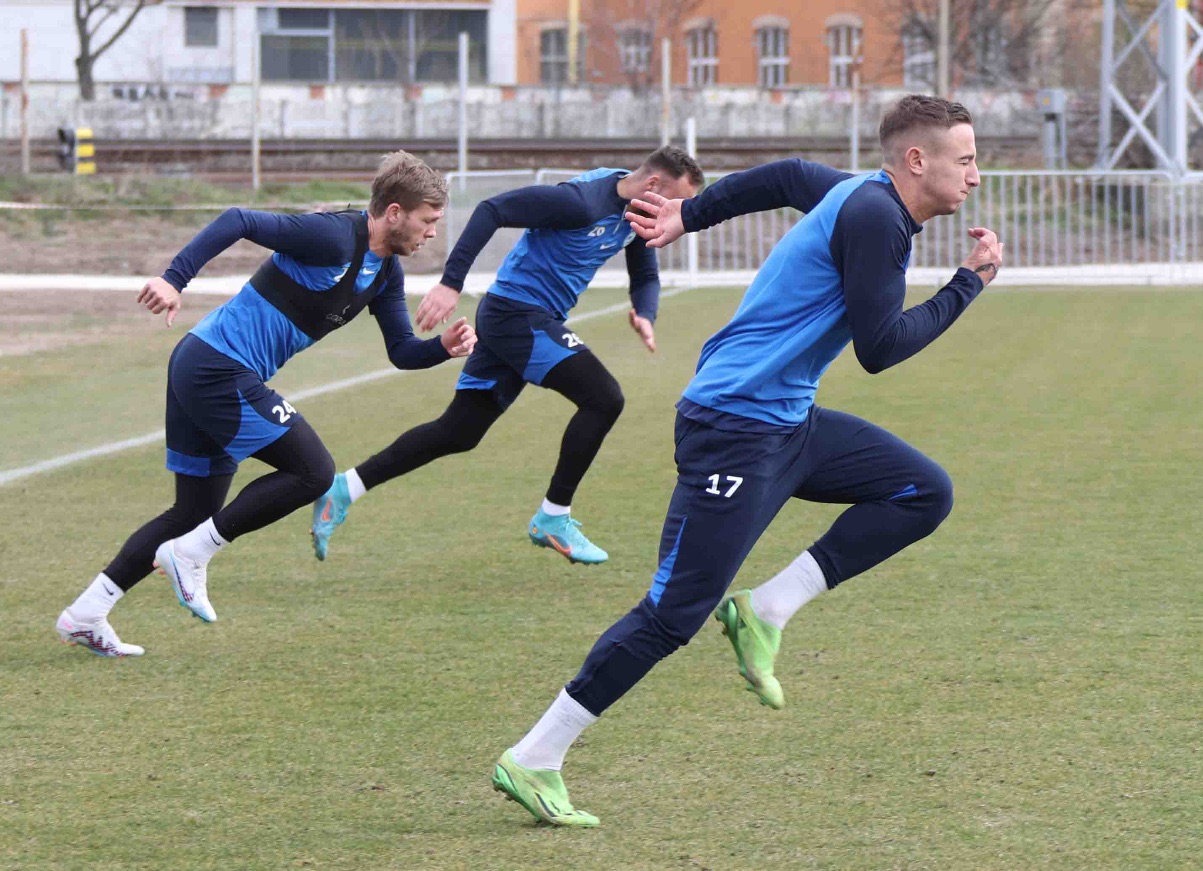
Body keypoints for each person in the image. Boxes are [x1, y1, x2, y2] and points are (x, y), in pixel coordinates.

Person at [490, 95, 1004, 826]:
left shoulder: (863, 193)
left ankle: (766, 609)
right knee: (671, 616)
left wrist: (688, 216)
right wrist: (968, 283)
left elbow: (789, 175)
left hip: (786, 423)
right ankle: (535, 755)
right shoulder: (876, 217)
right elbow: (880, 347)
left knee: (922, 491)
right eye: (967, 159)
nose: (976, 175)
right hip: (732, 430)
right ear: (917, 161)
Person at [55, 151, 476, 658]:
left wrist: (442, 349)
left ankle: (87, 613)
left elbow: (402, 351)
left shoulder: (385, 274)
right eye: (428, 220)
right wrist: (173, 279)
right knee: (314, 471)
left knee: (194, 511)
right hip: (216, 367)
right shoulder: (331, 237)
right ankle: (190, 555)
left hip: (203, 365)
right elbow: (239, 219)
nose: (432, 232)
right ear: (393, 212)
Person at [308, 146, 703, 565]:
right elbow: (492, 209)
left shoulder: (638, 212)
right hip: (516, 315)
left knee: (459, 431)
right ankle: (553, 517)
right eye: (676, 200)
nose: (676, 212)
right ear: (653, 184)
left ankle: (345, 488)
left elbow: (645, 274)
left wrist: (645, 312)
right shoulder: (580, 203)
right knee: (604, 398)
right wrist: (451, 283)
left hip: (516, 319)